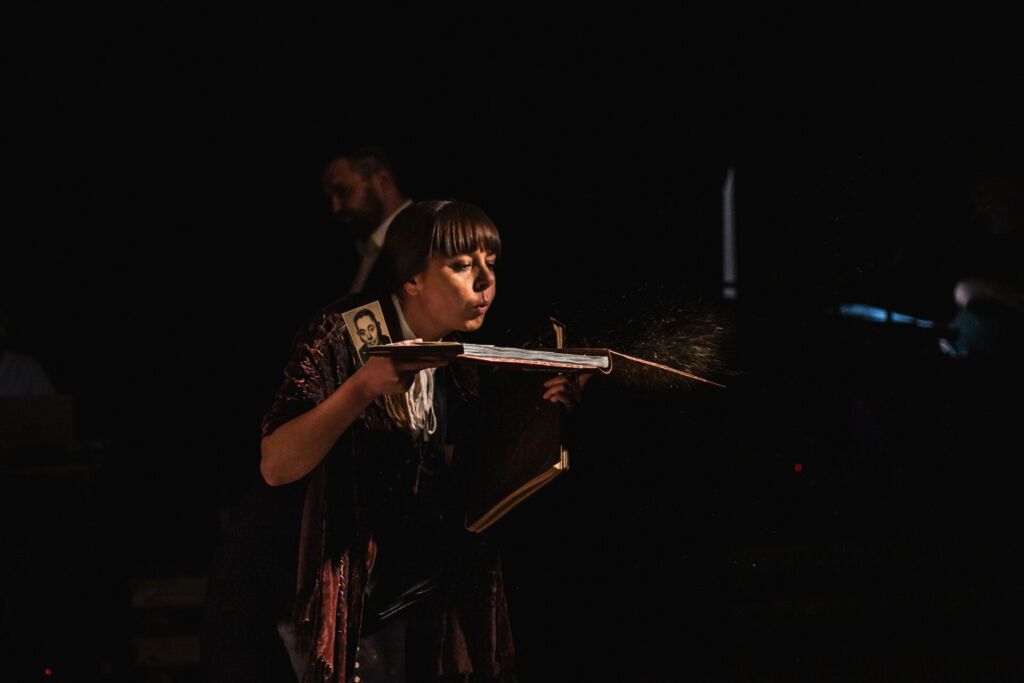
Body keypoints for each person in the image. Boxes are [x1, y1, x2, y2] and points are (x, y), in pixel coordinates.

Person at [202, 200, 582, 683]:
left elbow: (464, 476)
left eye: (491, 263)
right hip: (287, 594)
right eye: (462, 265)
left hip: (374, 602)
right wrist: (360, 388)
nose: (485, 280)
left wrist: (545, 412)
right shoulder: (344, 331)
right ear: (412, 279)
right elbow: (276, 465)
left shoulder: (456, 364)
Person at [322, 146, 413, 294]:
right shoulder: (358, 250)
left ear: (383, 182)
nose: (335, 207)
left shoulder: (426, 235)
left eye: (343, 191)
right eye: (329, 198)